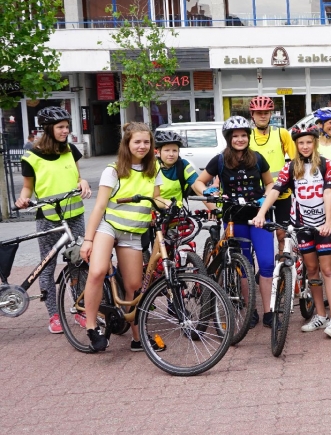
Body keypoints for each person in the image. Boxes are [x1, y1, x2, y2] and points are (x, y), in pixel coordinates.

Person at [79, 123, 163, 353]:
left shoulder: (154, 168)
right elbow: (99, 206)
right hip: (109, 227)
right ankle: (92, 327)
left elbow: (157, 198)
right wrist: (88, 239)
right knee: (97, 271)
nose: (142, 146)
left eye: (146, 142)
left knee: (133, 287)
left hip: (134, 231)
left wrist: (170, 205)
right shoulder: (113, 170)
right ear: (127, 143)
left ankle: (137, 337)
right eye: (137, 142)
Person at [253, 123, 331, 338]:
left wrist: (328, 222)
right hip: (302, 225)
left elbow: (328, 193)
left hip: (322, 225)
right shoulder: (291, 167)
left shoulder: (326, 165)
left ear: (315, 143)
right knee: (311, 270)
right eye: (301, 143)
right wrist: (261, 213)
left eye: (309, 142)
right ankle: (320, 315)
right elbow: (275, 190)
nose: (305, 146)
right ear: (296, 145)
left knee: (327, 271)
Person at [15, 107, 92, 334]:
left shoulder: (70, 150)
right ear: (48, 128)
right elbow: (27, 187)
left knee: (78, 264)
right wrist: (22, 199)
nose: (65, 131)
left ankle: (79, 309)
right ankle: (54, 315)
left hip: (75, 217)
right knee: (47, 267)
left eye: (67, 127)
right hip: (48, 219)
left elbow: (78, 177)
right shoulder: (31, 156)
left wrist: (83, 182)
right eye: (60, 127)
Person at [196, 116, 276, 328]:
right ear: (228, 139)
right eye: (235, 136)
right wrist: (209, 195)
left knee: (267, 263)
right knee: (244, 265)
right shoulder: (220, 160)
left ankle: (268, 312)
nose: (240, 139)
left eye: (243, 135)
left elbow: (270, 183)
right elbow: (199, 182)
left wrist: (265, 198)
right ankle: (251, 311)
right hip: (234, 219)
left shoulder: (257, 158)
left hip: (259, 217)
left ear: (248, 137)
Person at [247, 95, 296, 252]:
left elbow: (296, 160)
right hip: (257, 195)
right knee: (261, 235)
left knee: (282, 235)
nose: (263, 116)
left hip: (281, 193)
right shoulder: (246, 136)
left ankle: (282, 265)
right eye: (259, 113)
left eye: (266, 113)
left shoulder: (282, 133)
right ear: (252, 115)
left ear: (270, 114)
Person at [154, 130, 208, 206]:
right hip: (154, 210)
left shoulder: (184, 165)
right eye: (167, 150)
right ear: (158, 152)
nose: (171, 154)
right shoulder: (152, 167)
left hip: (177, 210)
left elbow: (196, 184)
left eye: (174, 150)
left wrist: (207, 194)